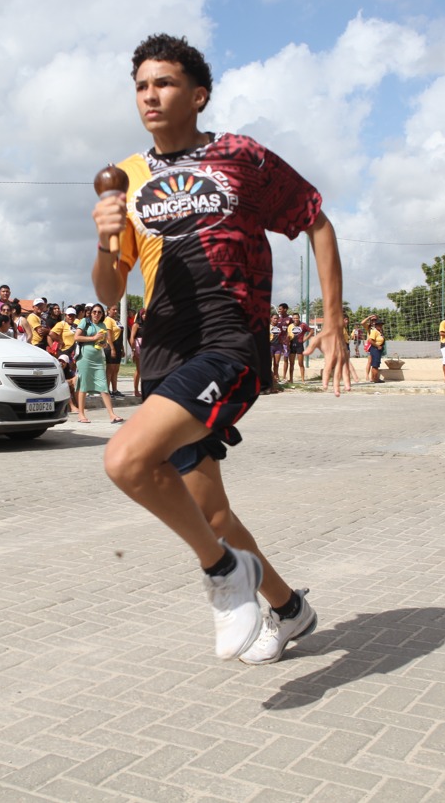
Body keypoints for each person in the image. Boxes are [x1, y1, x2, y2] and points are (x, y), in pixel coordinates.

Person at [91, 33, 348, 665]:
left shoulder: (240, 156)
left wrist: (333, 319)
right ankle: (291, 609)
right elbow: (108, 294)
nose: (150, 96)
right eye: (141, 86)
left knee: (126, 460)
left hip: (228, 340)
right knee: (208, 508)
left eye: (165, 83)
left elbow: (314, 218)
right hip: (163, 353)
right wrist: (105, 241)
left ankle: (224, 576)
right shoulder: (125, 177)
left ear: (198, 95)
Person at [74, 304, 122, 423]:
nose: (96, 314)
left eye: (99, 312)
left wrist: (103, 344)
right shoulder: (85, 322)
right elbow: (77, 337)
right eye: (94, 312)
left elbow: (103, 341)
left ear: (102, 314)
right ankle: (81, 414)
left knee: (103, 386)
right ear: (90, 313)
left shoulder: (103, 325)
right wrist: (93, 338)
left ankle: (112, 414)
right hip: (84, 358)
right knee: (83, 385)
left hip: (98, 359)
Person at [104, 303, 125, 398]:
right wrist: (112, 348)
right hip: (111, 346)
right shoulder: (108, 320)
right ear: (108, 310)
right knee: (110, 369)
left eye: (117, 310)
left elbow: (120, 336)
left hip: (118, 346)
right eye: (113, 310)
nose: (115, 311)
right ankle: (107, 390)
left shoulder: (117, 321)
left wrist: (122, 348)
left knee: (116, 370)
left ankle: (115, 390)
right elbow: (108, 335)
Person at [365, 317, 386, 384]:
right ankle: (375, 379)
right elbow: (370, 340)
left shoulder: (379, 332)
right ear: (376, 325)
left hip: (378, 349)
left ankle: (375, 378)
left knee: (376, 364)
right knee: (375, 364)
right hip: (375, 349)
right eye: (379, 325)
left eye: (381, 325)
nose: (380, 326)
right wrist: (378, 346)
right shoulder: (374, 331)